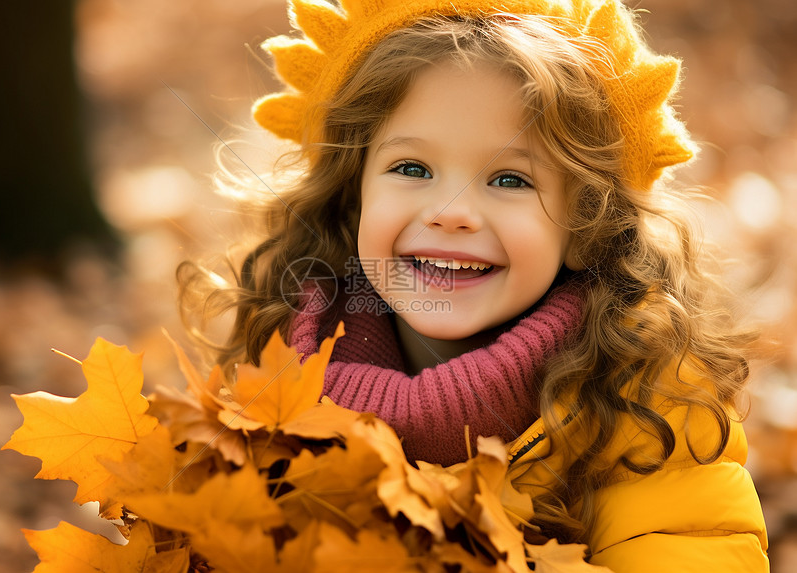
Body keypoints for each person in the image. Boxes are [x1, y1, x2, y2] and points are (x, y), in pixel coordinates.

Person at [179, 0, 769, 569]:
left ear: (585, 226)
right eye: (411, 169)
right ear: (351, 197)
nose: (450, 212)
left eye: (510, 179)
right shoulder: (279, 367)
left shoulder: (647, 406)